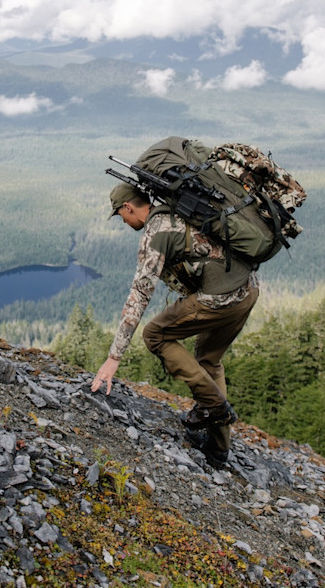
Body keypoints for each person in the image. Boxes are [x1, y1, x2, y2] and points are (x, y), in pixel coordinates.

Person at [90, 182, 259, 469]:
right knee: (209, 361)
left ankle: (215, 408)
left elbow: (140, 293)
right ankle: (218, 450)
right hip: (248, 290)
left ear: (128, 207)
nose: (122, 220)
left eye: (120, 215)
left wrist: (113, 357)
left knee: (155, 334)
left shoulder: (156, 232)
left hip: (220, 299)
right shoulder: (178, 212)